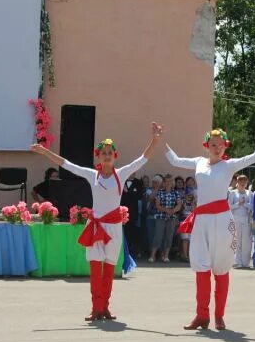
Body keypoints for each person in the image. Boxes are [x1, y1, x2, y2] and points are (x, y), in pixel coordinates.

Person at [31, 122, 162, 321]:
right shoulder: (92, 175)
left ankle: (105, 308)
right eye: (103, 153)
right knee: (95, 269)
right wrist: (45, 152)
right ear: (98, 157)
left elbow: (143, 158)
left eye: (110, 152)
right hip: (95, 227)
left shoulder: (122, 173)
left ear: (115, 156)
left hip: (114, 228)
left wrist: (155, 139)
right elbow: (67, 165)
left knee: (109, 268)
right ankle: (95, 308)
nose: (107, 155)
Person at [166, 116, 255, 330]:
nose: (216, 147)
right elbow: (174, 159)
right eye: (213, 144)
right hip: (201, 220)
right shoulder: (199, 163)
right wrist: (159, 138)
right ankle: (202, 316)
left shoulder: (229, 166)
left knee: (221, 267)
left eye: (220, 144)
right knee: (200, 265)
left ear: (225, 146)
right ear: (206, 145)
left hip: (222, 220)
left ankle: (218, 316)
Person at [151, 174, 182, 263]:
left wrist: (173, 211)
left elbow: (179, 205)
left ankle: (166, 256)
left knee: (169, 236)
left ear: (173, 182)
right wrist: (166, 210)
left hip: (172, 217)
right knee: (158, 235)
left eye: (170, 181)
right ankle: (152, 256)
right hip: (160, 216)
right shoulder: (160, 192)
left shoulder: (176, 193)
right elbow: (157, 205)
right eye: (167, 181)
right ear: (164, 182)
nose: (169, 183)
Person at [229, 174, 253, 268]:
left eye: (244, 181)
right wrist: (238, 204)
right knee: (236, 241)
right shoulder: (232, 193)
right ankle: (237, 261)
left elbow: (252, 206)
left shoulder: (249, 193)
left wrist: (245, 204)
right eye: (240, 181)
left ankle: (245, 262)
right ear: (237, 183)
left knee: (246, 241)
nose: (242, 183)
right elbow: (229, 206)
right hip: (235, 219)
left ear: (246, 183)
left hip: (246, 220)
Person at [121, 172, 144, 258]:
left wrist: (127, 191)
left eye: (133, 172)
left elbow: (139, 196)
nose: (131, 174)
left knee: (132, 231)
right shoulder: (122, 181)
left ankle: (131, 251)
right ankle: (123, 250)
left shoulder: (138, 183)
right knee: (124, 231)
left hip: (133, 212)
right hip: (122, 211)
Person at [178, 177, 197, 262]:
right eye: (189, 181)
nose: (191, 183)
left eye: (192, 181)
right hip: (183, 218)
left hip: (192, 218)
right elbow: (180, 209)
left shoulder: (195, 196)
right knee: (184, 238)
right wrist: (183, 201)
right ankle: (184, 256)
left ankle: (189, 255)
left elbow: (194, 210)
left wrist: (193, 203)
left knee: (191, 239)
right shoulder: (182, 194)